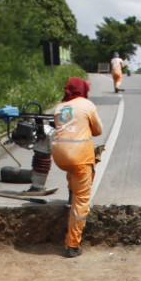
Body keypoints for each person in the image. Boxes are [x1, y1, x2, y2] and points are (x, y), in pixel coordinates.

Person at [50, 76, 106, 258]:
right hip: (79, 156)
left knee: (73, 170)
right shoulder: (86, 104)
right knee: (82, 201)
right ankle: (72, 244)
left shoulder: (60, 107)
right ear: (83, 90)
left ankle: (70, 193)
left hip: (59, 155)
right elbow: (98, 131)